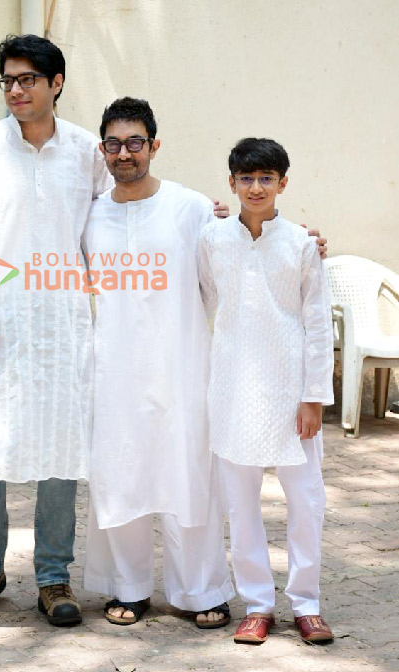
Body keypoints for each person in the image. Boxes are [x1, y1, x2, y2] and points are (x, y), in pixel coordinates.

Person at [0, 34, 112, 625]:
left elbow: (122, 222)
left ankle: (54, 578)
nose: (15, 90)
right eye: (8, 81)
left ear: (55, 83)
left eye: (27, 80)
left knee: (61, 449)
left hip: (65, 327)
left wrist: (210, 221)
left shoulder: (88, 153)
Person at [82, 97, 236, 628]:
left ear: (154, 145)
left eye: (135, 142)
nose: (124, 153)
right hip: (114, 370)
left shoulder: (192, 207)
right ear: (102, 148)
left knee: (187, 475)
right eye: (114, 143)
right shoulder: (90, 214)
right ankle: (127, 586)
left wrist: (297, 240)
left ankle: (201, 590)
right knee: (120, 471)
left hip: (181, 366)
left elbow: (225, 274)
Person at [199, 138, 334, 644]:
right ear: (231, 183)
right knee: (241, 505)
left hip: (291, 394)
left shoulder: (300, 243)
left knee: (305, 503)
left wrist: (314, 396)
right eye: (246, 178)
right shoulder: (212, 241)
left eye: (266, 178)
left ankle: (307, 603)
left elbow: (318, 325)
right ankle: (257, 604)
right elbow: (201, 302)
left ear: (283, 183)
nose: (256, 187)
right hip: (233, 392)